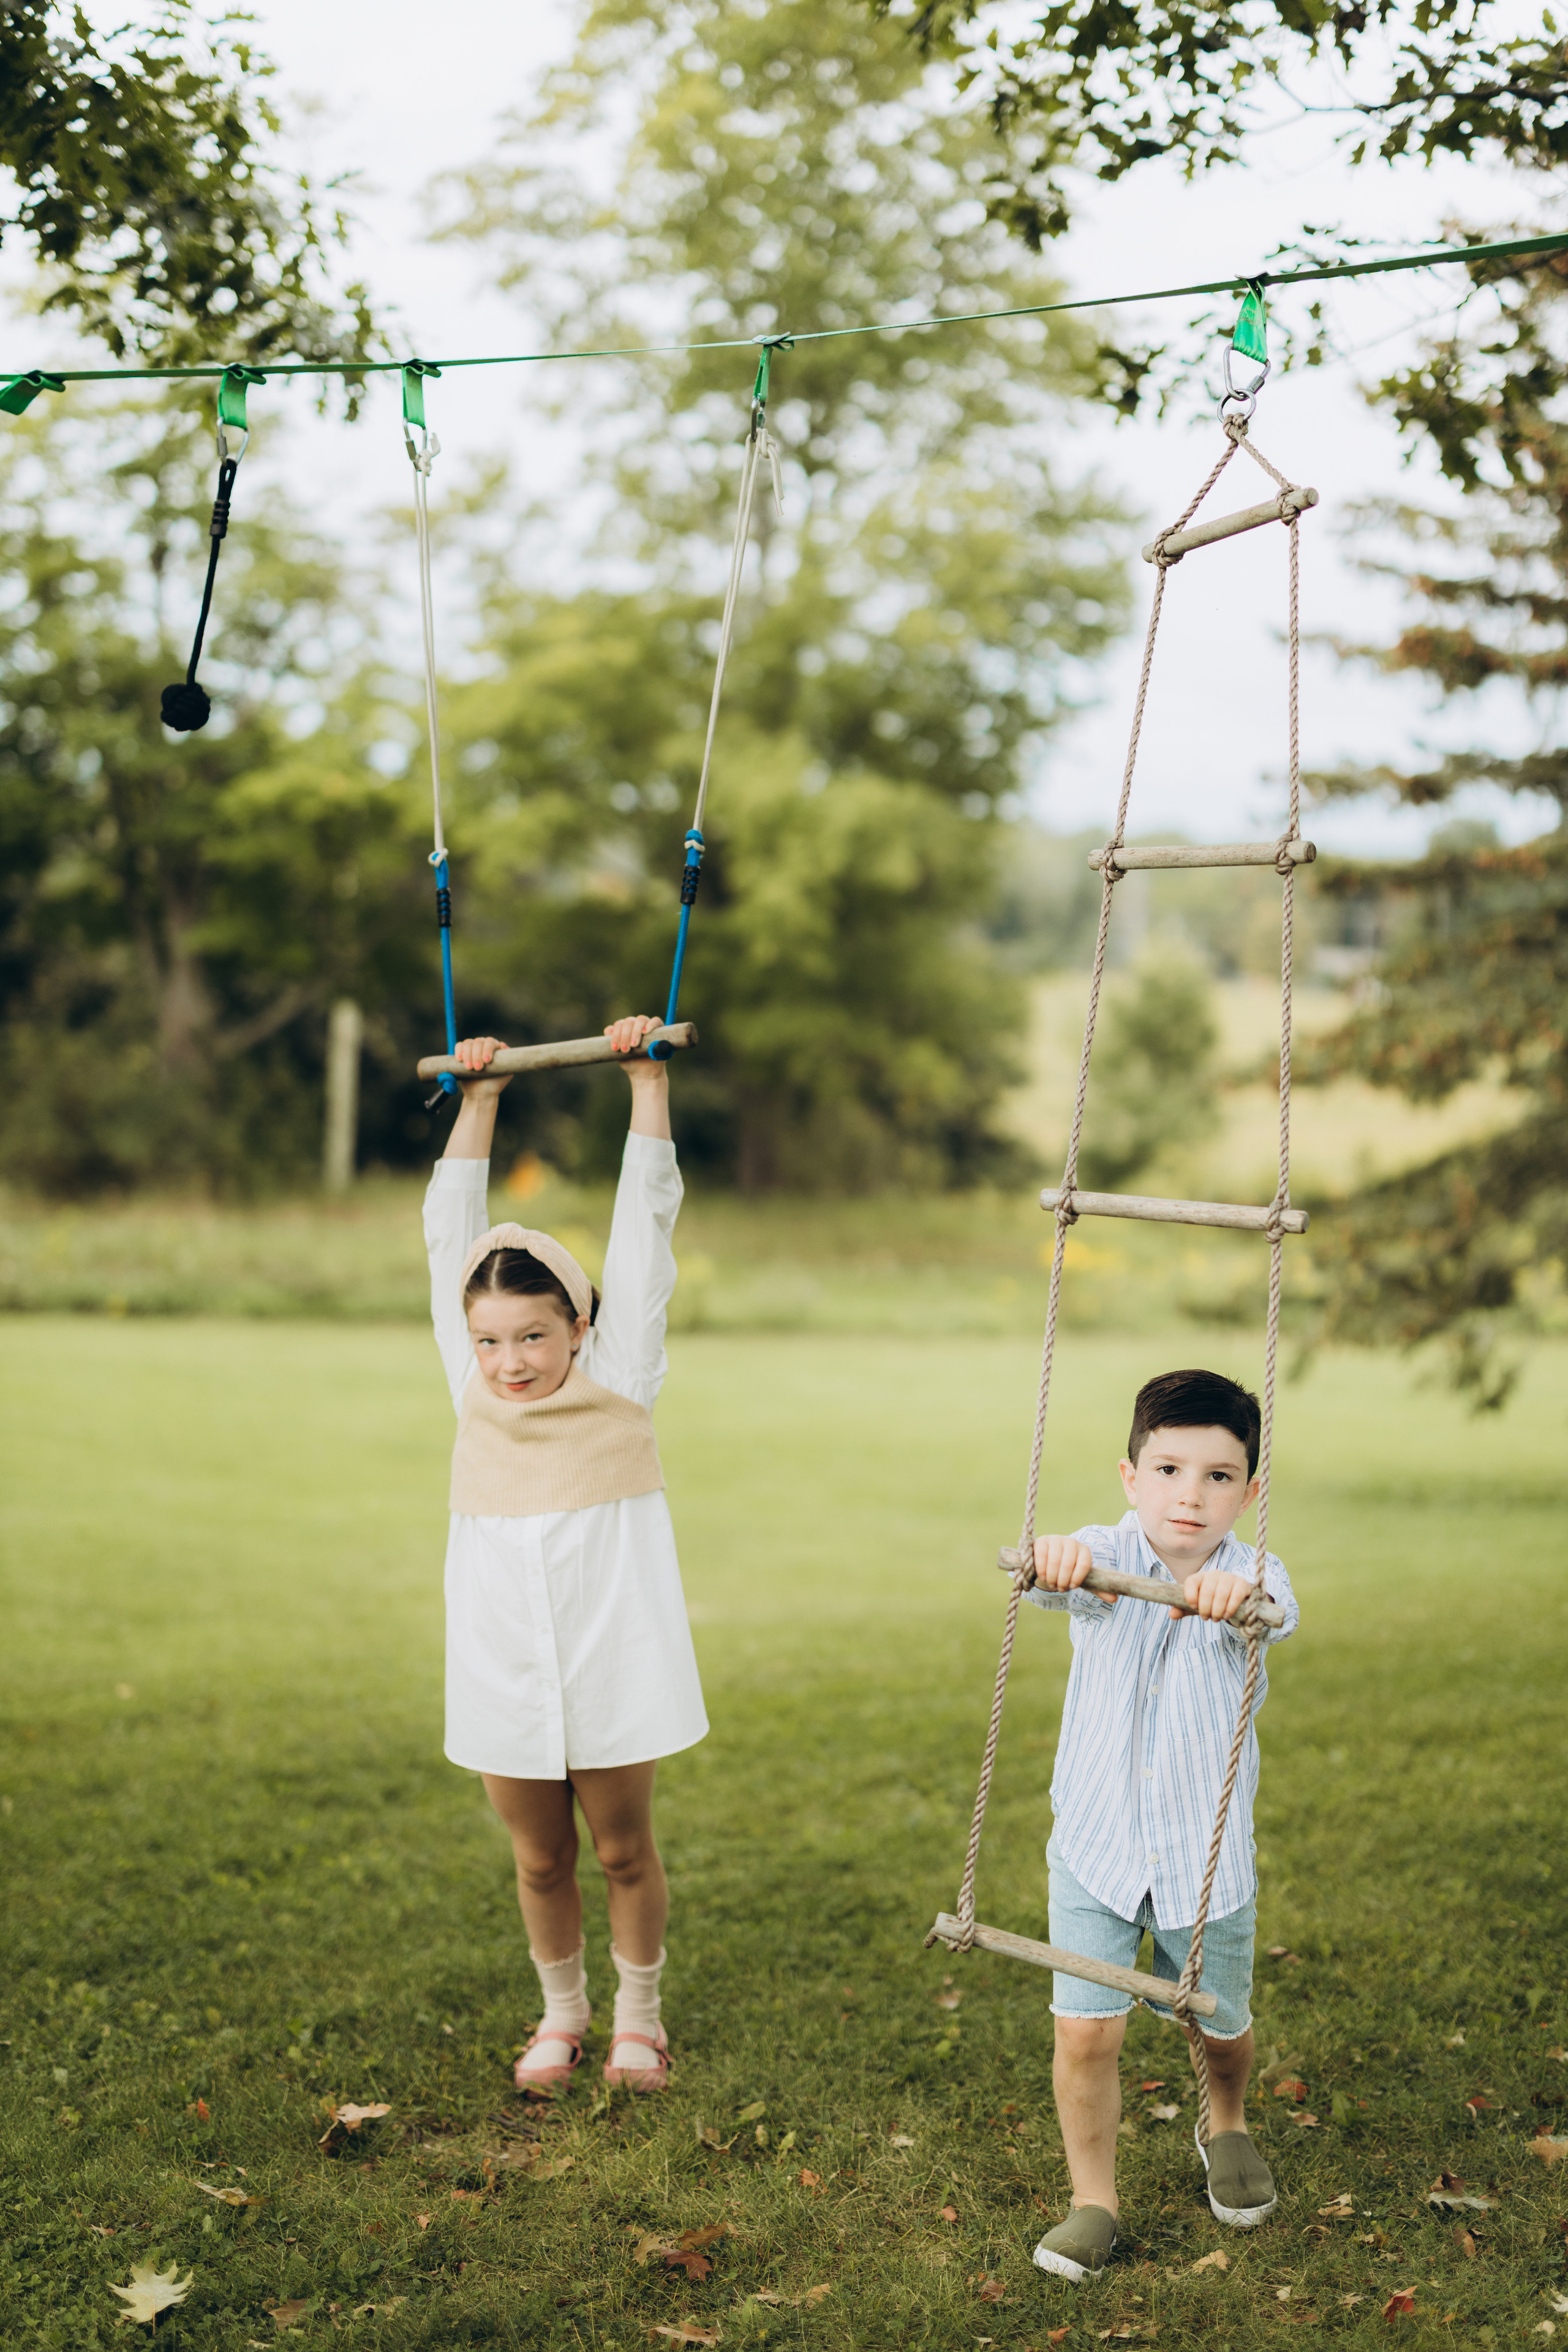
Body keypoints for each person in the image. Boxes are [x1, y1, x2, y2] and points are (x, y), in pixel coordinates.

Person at [422, 1015, 707, 2097]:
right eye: (490, 1340)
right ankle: (562, 2016)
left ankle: (641, 2018)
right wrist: (480, 1098)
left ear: (580, 1327)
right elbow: (448, 1232)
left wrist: (645, 1084)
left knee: (624, 1849)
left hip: (610, 1651)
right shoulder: (470, 1386)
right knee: (539, 1856)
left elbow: (647, 1225)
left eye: (533, 1337)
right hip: (503, 1658)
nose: (509, 1361)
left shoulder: (622, 1376)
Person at [1026, 1367, 1300, 2285]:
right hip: (1097, 1850)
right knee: (1086, 2033)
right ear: (1131, 1476)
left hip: (1203, 1861)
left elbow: (1273, 1613)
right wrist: (1058, 1559)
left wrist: (1232, 1601)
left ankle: (1226, 2122)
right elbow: (1051, 1571)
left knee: (1219, 2030)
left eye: (1220, 1477)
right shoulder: (1102, 1554)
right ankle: (1093, 2200)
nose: (1191, 1494)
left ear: (1249, 1493)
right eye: (1170, 1470)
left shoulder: (1256, 1574)